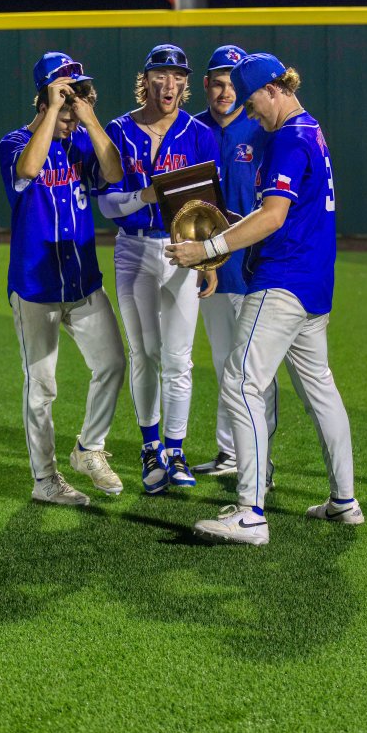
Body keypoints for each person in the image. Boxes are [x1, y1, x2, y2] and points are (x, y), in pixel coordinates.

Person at [166, 53, 363, 545]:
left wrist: (208, 249)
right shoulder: (311, 130)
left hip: (283, 280)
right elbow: (278, 214)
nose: (250, 113)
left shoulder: (290, 138)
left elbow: (274, 217)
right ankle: (344, 500)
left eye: (252, 101)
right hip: (313, 281)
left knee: (240, 381)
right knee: (319, 389)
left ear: (273, 89)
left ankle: (251, 513)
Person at [0, 52, 126, 506]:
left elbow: (115, 173)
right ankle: (45, 480)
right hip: (36, 287)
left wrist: (89, 119)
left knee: (112, 363)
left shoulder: (82, 141)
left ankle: (89, 448)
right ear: (44, 100)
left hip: (83, 280)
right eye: (64, 102)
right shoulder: (14, 142)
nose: (72, 114)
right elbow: (28, 170)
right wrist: (54, 111)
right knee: (42, 388)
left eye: (76, 103)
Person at [100, 44, 220, 495]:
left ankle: (175, 449)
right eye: (160, 75)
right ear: (146, 79)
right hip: (133, 248)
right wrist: (144, 197)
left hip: (182, 251)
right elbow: (106, 203)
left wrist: (209, 256)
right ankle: (150, 447)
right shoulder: (118, 130)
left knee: (178, 357)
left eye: (177, 76)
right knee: (145, 353)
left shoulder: (198, 133)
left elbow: (209, 204)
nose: (169, 84)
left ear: (185, 83)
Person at [191, 45, 278, 479]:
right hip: (210, 268)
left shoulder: (262, 126)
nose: (226, 92)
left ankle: (262, 458)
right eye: (218, 83)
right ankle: (230, 453)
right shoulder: (192, 130)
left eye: (233, 84)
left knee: (257, 368)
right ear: (206, 85)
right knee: (226, 361)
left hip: (255, 265)